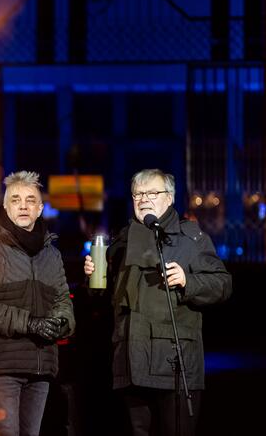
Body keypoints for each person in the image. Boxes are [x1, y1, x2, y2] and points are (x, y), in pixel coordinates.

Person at [83, 168, 232, 436]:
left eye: (153, 192)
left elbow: (223, 284)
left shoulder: (190, 239)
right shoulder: (120, 242)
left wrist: (188, 281)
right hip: (130, 363)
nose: (144, 198)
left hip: (175, 366)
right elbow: (106, 299)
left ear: (170, 198)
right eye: (138, 193)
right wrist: (93, 279)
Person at [0, 170, 76, 436]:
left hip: (41, 367)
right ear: (5, 206)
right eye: (15, 199)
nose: (23, 205)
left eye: (30, 200)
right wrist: (30, 324)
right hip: (1, 367)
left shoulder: (51, 255)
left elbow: (63, 301)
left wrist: (61, 323)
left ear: (40, 208)